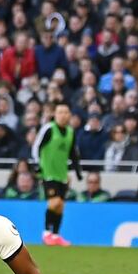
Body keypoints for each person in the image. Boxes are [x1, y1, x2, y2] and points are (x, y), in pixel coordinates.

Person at [32, 103, 82, 246]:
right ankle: (46, 233)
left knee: (61, 206)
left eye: (66, 112)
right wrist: (37, 165)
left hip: (62, 174)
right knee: (55, 202)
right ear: (55, 114)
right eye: (60, 112)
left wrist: (78, 170)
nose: (63, 115)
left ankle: (56, 235)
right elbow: (37, 146)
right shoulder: (49, 129)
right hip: (48, 172)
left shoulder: (70, 132)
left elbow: (73, 152)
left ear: (70, 115)